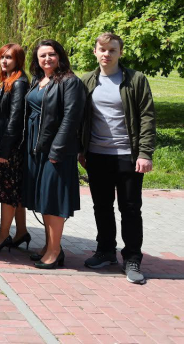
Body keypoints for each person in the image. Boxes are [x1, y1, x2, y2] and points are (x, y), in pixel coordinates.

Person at [79, 33, 156, 284]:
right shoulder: (88, 81)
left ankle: (132, 258)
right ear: (95, 51)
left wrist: (145, 153)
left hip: (128, 156)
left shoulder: (135, 79)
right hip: (97, 155)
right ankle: (105, 251)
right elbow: (81, 119)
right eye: (102, 49)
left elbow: (147, 117)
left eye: (112, 50)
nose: (107, 54)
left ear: (120, 52)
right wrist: (81, 150)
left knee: (130, 208)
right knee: (101, 206)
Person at [24, 40, 85, 269]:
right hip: (36, 146)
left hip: (56, 149)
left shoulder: (70, 82)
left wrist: (56, 150)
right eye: (42, 56)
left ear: (59, 56)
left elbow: (71, 119)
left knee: (53, 199)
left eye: (51, 54)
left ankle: (55, 251)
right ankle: (49, 246)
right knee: (43, 199)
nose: (47, 59)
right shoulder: (38, 80)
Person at [0, 44, 30, 254]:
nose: (4, 61)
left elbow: (15, 118)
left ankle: (3, 236)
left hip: (9, 148)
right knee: (14, 193)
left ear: (18, 59)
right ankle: (21, 232)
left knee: (7, 192)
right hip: (4, 144)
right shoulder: (7, 81)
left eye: (9, 57)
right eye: (2, 57)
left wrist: (5, 151)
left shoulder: (19, 82)